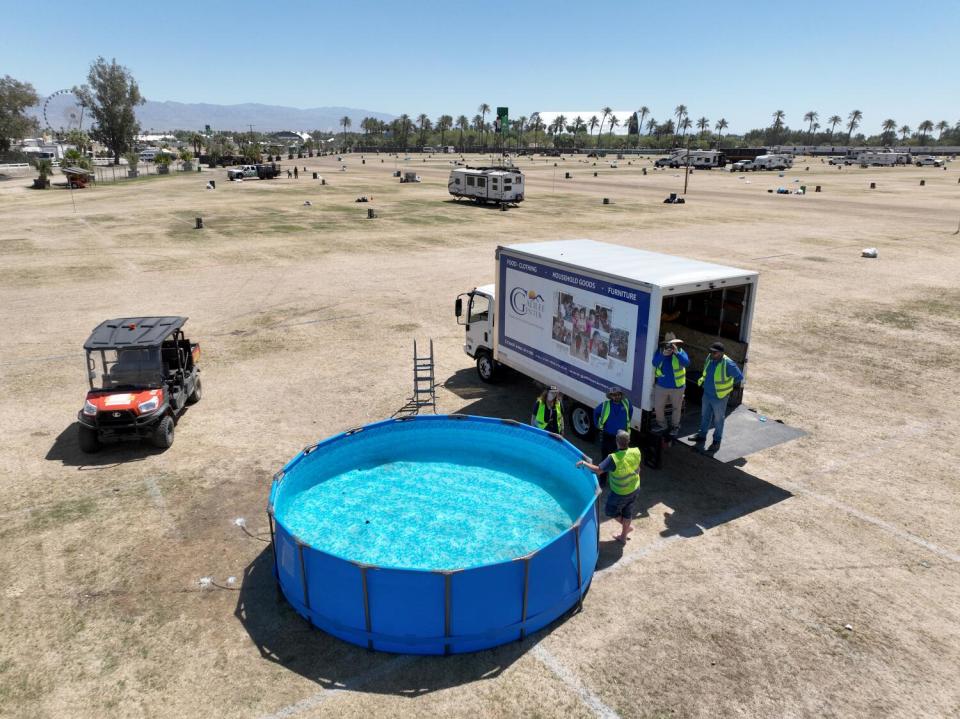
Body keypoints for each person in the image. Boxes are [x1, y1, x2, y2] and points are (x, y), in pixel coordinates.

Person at [576, 430, 641, 544]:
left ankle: (626, 529)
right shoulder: (636, 451)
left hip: (620, 493)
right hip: (635, 488)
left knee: (610, 511)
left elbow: (598, 471)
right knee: (627, 512)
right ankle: (624, 535)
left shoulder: (613, 458)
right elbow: (638, 468)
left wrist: (584, 463)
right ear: (628, 441)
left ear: (617, 442)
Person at [691, 341, 744, 452]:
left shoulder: (728, 364)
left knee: (718, 420)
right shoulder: (709, 358)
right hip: (707, 394)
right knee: (705, 415)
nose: (711, 354)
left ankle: (716, 441)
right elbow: (706, 372)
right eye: (710, 351)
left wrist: (728, 386)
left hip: (720, 397)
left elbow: (739, 377)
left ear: (721, 353)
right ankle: (702, 435)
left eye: (714, 352)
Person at [651, 334, 690, 436]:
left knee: (676, 408)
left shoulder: (680, 352)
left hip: (678, 388)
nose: (671, 347)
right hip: (661, 386)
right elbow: (654, 363)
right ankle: (662, 425)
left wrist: (677, 353)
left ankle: (675, 427)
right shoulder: (660, 352)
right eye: (669, 344)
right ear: (665, 344)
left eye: (673, 344)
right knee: (658, 407)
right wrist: (663, 354)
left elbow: (686, 363)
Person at [593, 387, 632, 486]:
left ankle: (618, 480)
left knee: (621, 460)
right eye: (614, 395)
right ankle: (602, 481)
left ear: (621, 395)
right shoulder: (605, 405)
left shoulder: (627, 404)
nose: (616, 396)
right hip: (608, 436)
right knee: (606, 459)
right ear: (610, 396)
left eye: (618, 394)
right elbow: (595, 413)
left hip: (621, 438)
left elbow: (630, 413)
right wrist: (597, 425)